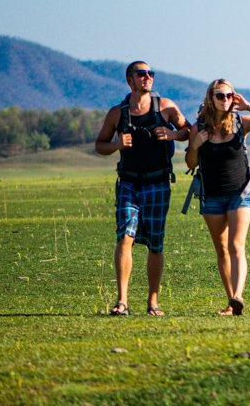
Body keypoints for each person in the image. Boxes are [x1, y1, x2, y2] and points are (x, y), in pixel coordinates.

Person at [95, 61, 189, 316]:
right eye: (142, 74)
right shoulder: (118, 113)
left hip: (158, 182)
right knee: (124, 236)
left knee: (155, 244)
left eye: (151, 74)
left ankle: (153, 302)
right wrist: (116, 144)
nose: (148, 77)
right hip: (128, 182)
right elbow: (99, 145)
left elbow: (188, 130)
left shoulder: (166, 107)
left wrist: (171, 136)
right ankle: (122, 301)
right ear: (130, 80)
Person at [186, 79, 250, 316]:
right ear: (210, 98)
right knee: (221, 250)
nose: (225, 100)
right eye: (220, 96)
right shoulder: (199, 127)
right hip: (211, 196)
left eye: (229, 95)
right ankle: (230, 303)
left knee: (236, 245)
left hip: (240, 194)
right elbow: (190, 163)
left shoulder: (241, 122)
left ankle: (238, 295)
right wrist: (195, 145)